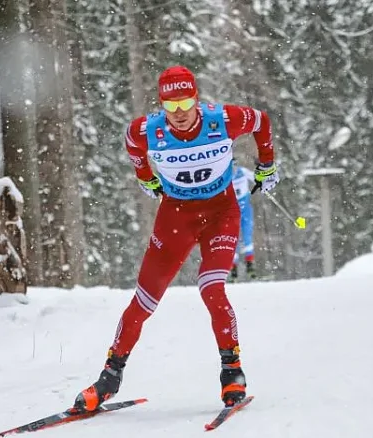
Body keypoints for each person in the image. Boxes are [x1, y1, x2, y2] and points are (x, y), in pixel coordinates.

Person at [73, 65, 280, 412]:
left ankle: (232, 371)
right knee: (144, 300)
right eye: (171, 106)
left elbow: (261, 121)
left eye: (185, 103)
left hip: (221, 214)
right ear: (161, 104)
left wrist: (267, 165)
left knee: (211, 287)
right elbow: (132, 144)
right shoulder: (147, 130)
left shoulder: (223, 120)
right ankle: (109, 378)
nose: (179, 113)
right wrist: (145, 177)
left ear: (196, 99)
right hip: (176, 217)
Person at [229, 165, 257, 281]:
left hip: (245, 211)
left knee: (247, 236)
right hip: (231, 212)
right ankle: (233, 270)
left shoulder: (242, 171)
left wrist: (261, 180)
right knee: (232, 239)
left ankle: (250, 266)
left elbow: (257, 178)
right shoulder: (224, 175)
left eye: (234, 164)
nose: (233, 168)